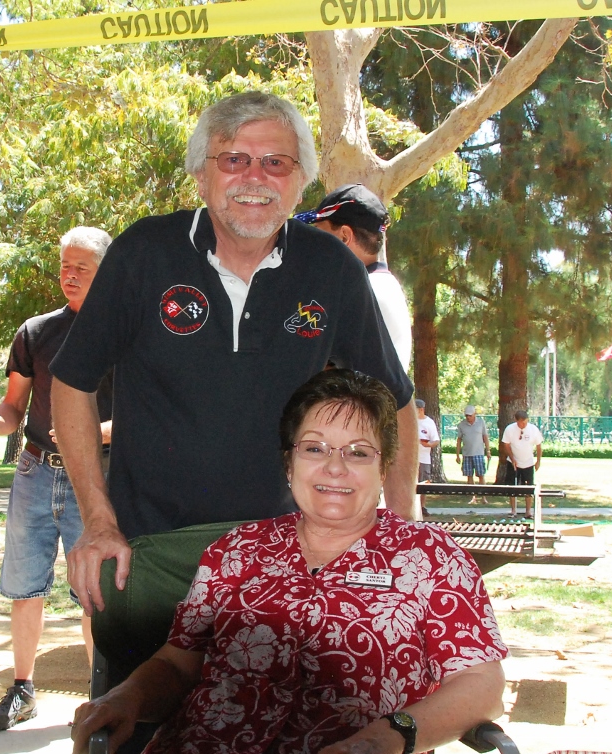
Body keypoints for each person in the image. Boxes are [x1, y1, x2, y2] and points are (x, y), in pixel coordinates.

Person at [70, 369, 506, 754]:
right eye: (315, 448)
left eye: (358, 452)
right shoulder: (237, 550)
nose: (334, 468)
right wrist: (126, 697)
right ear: (289, 463)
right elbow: (177, 664)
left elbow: (482, 685)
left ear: (384, 469)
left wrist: (385, 738)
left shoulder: (430, 557)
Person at [52, 91, 419, 619]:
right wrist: (98, 521)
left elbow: (393, 397)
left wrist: (400, 530)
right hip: (151, 554)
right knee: (140, 704)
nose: (255, 177)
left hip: (284, 558)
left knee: (275, 702)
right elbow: (72, 381)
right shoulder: (144, 253)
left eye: (275, 162)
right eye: (233, 160)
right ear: (202, 176)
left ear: (299, 182)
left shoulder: (331, 268)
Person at [0, 226, 114, 732]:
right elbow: (13, 406)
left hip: (91, 476)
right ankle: (22, 689)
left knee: (93, 593)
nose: (69, 277)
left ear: (106, 273)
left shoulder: (128, 333)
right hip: (34, 470)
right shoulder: (36, 331)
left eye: (82, 269)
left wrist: (92, 430)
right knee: (24, 587)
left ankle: (100, 696)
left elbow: (147, 413)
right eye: (64, 267)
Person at [296, 184, 411, 370]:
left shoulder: (363, 292)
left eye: (319, 231)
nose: (313, 243)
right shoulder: (383, 284)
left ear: (344, 237)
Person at [499, 409, 544, 518]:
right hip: (513, 463)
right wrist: (512, 458)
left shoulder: (533, 429)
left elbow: (539, 446)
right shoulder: (510, 429)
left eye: (525, 422)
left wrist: (538, 461)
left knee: (528, 487)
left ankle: (528, 511)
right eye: (521, 422)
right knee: (512, 487)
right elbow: (506, 445)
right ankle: (513, 510)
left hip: (528, 463)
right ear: (516, 420)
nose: (523, 424)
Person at [455, 405, 490, 502]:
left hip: (478, 453)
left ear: (474, 414)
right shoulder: (461, 425)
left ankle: (484, 497)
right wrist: (458, 455)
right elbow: (459, 440)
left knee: (481, 475)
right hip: (467, 454)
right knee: (469, 475)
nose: (468, 417)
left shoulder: (481, 422)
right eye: (466, 415)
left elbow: (485, 437)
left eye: (470, 415)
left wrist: (488, 451)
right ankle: (473, 497)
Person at [415, 399, 440, 517]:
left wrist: (429, 444)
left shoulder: (429, 422)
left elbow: (436, 440)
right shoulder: (409, 421)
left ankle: (422, 506)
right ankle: (412, 507)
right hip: (411, 458)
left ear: (421, 409)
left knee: (423, 483)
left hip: (424, 458)